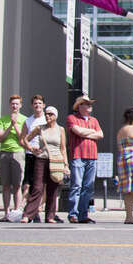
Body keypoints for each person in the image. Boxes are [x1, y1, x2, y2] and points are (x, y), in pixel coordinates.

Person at [21, 106, 68, 223]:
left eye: (51, 114)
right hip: (41, 159)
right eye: (46, 114)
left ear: (55, 116)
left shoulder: (60, 129)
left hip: (56, 161)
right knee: (37, 187)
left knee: (53, 188)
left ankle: (50, 216)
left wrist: (66, 165)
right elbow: (25, 139)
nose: (48, 116)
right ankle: (28, 215)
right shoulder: (40, 128)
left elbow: (63, 148)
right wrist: (31, 148)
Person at [66, 96, 103, 224]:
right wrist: (92, 132)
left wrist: (87, 132)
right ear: (79, 106)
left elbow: (100, 134)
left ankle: (83, 214)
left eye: (89, 104)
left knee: (88, 187)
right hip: (78, 155)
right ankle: (73, 213)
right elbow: (77, 131)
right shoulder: (72, 118)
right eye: (86, 104)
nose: (89, 106)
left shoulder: (94, 120)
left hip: (92, 156)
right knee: (76, 185)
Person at [0, 95, 25, 221]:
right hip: (4, 152)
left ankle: (16, 212)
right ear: (9, 105)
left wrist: (16, 125)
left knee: (17, 184)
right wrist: (10, 126)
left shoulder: (24, 119)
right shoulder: (3, 119)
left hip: (18, 152)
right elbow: (0, 137)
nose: (14, 106)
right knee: (6, 185)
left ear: (20, 105)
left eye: (17, 104)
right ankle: (7, 212)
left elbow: (22, 138)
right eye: (12, 103)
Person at [20, 95, 47, 203]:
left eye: (40, 103)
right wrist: (30, 148)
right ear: (32, 106)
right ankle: (26, 204)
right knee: (28, 182)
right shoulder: (28, 121)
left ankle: (41, 205)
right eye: (35, 103)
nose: (37, 105)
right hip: (30, 154)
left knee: (42, 182)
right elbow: (22, 140)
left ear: (43, 105)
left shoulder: (47, 119)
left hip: (44, 154)